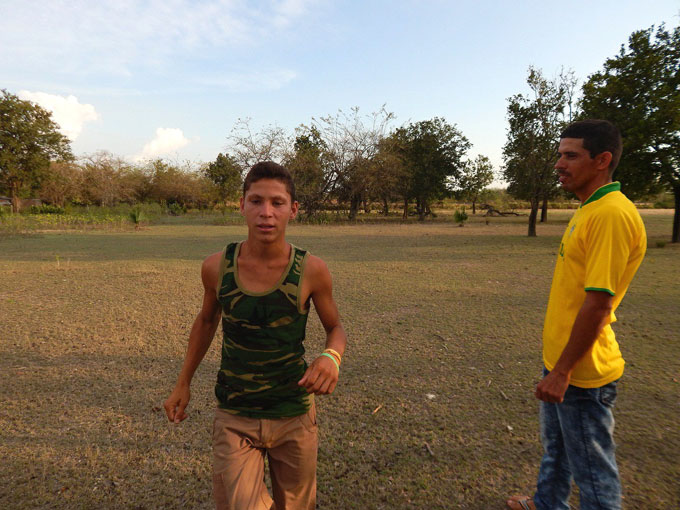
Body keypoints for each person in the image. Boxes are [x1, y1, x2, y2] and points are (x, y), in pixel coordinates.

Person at [164, 161, 347, 510]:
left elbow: (335, 328)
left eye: (277, 203)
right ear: (242, 205)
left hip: (293, 411)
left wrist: (330, 357)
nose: (266, 213)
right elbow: (206, 322)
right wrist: (182, 382)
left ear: (293, 209)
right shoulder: (217, 266)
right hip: (235, 413)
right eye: (256, 201)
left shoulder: (312, 269)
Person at [507, 120, 647, 510]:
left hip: (581, 372)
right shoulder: (591, 208)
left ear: (602, 160)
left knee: (592, 469)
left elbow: (599, 303)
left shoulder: (611, 215)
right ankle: (547, 502)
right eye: (559, 154)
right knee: (561, 448)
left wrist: (564, 371)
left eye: (570, 155)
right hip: (562, 360)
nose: (559, 164)